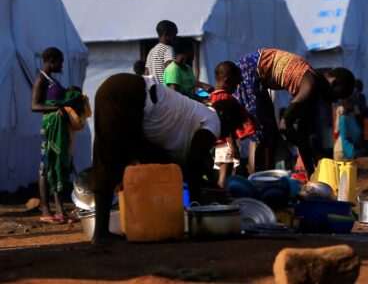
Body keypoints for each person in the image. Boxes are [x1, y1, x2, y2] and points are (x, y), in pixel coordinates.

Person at [91, 73, 244, 243]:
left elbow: (171, 163)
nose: (229, 134)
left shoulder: (197, 114)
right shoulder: (213, 121)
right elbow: (193, 167)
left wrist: (202, 185)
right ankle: (101, 232)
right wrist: (213, 195)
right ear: (224, 115)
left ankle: (103, 231)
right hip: (131, 93)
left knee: (110, 159)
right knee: (111, 160)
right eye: (232, 127)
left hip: (117, 88)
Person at [234, 48, 355, 174]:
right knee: (260, 132)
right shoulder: (310, 83)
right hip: (249, 70)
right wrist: (310, 150)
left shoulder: (313, 93)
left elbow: (302, 133)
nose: (334, 101)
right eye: (336, 96)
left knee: (270, 134)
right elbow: (285, 126)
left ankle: (267, 180)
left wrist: (311, 173)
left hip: (256, 74)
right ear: (334, 83)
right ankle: (256, 181)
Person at [31, 48, 83, 224]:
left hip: (59, 127)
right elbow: (34, 105)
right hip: (50, 128)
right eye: (60, 62)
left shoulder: (51, 80)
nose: (61, 66)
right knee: (46, 167)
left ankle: (60, 210)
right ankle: (46, 210)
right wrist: (56, 108)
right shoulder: (41, 79)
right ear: (51, 60)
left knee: (57, 165)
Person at [209, 62, 255, 185]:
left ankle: (224, 191)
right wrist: (233, 144)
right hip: (227, 142)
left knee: (227, 171)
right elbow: (227, 123)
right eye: (236, 83)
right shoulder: (224, 97)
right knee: (226, 170)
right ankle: (222, 193)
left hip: (225, 142)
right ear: (227, 80)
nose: (237, 87)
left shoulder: (214, 96)